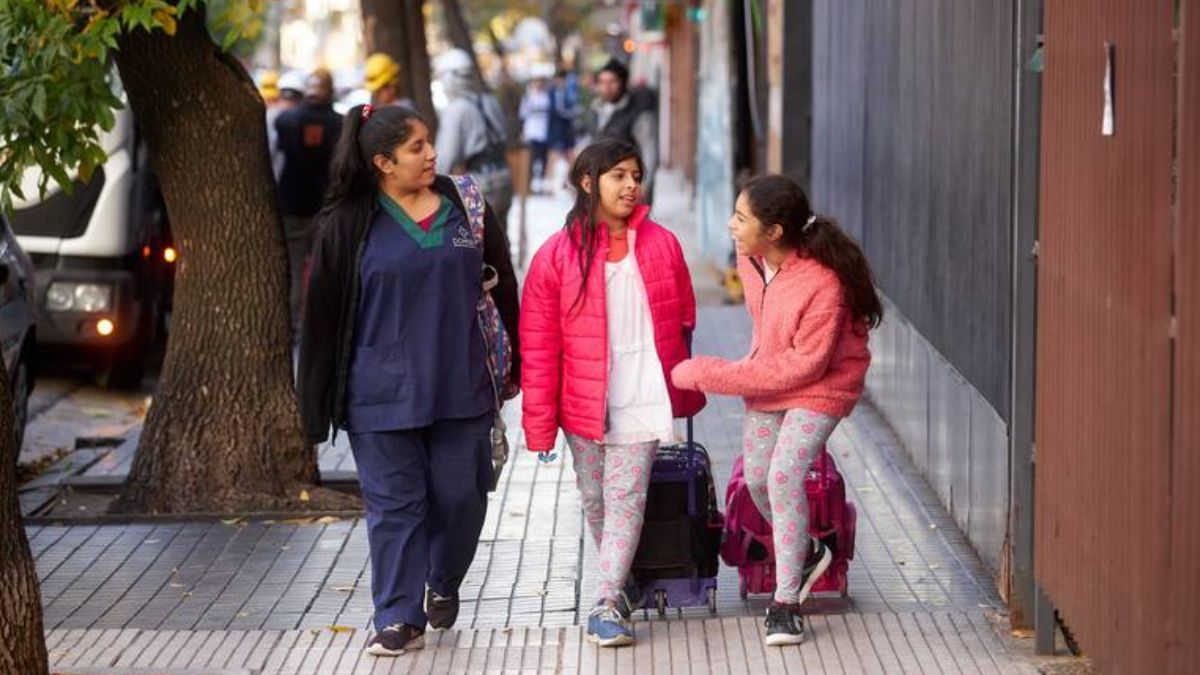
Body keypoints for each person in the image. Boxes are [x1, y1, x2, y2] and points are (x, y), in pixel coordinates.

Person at [297, 104, 519, 657]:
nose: (430, 155)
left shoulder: (464, 205)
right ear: (382, 162)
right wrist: (313, 407)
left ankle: (443, 580)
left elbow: (504, 281)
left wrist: (519, 363)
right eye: (416, 147)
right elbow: (320, 319)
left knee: (461, 497)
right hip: (377, 391)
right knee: (395, 508)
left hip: (461, 382)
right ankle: (397, 615)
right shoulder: (347, 223)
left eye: (429, 143)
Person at [670, 174, 882, 647]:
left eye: (741, 218)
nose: (730, 225)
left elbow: (803, 367)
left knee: (785, 475)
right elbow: (769, 335)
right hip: (769, 377)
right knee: (760, 479)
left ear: (775, 232)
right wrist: (750, 364)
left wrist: (711, 372)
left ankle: (786, 604)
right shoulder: (751, 259)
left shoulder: (823, 284)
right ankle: (807, 552)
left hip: (822, 385)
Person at [520, 139, 705, 647]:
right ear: (588, 182)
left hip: (643, 389)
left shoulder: (663, 242)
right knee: (595, 498)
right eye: (617, 175)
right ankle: (623, 584)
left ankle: (603, 604)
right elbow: (538, 346)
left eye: (635, 176)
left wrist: (679, 379)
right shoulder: (555, 257)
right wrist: (538, 427)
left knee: (626, 497)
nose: (629, 186)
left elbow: (685, 315)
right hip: (585, 403)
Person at [274, 68, 343, 341]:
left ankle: (292, 324)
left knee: (292, 266)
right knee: (325, 266)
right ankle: (322, 325)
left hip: (293, 203)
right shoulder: (340, 124)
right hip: (326, 204)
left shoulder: (285, 120)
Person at [434, 48, 513, 233]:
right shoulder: (489, 100)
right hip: (503, 177)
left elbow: (445, 158)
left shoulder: (456, 110)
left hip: (480, 184)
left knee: (477, 245)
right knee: (500, 240)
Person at [590, 58, 658, 206]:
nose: (606, 87)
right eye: (602, 82)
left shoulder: (639, 111)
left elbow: (649, 150)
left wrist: (644, 186)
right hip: (604, 189)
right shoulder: (597, 109)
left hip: (630, 189)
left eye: (612, 82)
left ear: (623, 83)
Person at [518, 78, 553, 193]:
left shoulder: (547, 96)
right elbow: (522, 116)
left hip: (544, 134)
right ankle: (529, 185)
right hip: (531, 133)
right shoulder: (528, 97)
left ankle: (541, 184)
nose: (538, 84)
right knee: (531, 160)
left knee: (543, 159)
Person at [547, 70, 581, 185]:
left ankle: (569, 180)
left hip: (567, 128)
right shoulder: (553, 92)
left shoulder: (568, 91)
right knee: (554, 154)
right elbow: (558, 110)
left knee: (570, 155)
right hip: (557, 127)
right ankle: (549, 182)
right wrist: (572, 113)